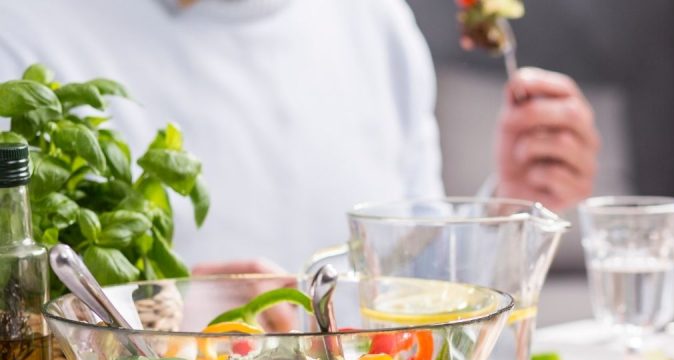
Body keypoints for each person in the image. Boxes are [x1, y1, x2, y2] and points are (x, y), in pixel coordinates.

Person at [0, 0, 599, 273]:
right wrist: (161, 320)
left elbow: (410, 281)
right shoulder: (24, 29)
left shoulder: (376, 19)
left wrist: (507, 204)